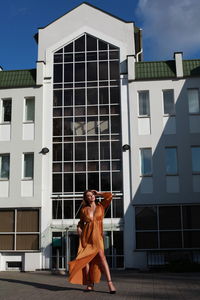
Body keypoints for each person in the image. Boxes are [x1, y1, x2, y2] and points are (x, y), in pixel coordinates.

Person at [68, 190, 116, 294]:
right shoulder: (84, 210)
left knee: (101, 257)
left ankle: (110, 283)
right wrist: (79, 227)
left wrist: (99, 193)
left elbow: (110, 196)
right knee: (86, 260)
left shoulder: (101, 206)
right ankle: (90, 284)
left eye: (92, 195)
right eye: (88, 196)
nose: (91, 197)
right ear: (86, 198)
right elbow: (81, 222)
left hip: (97, 236)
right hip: (87, 236)